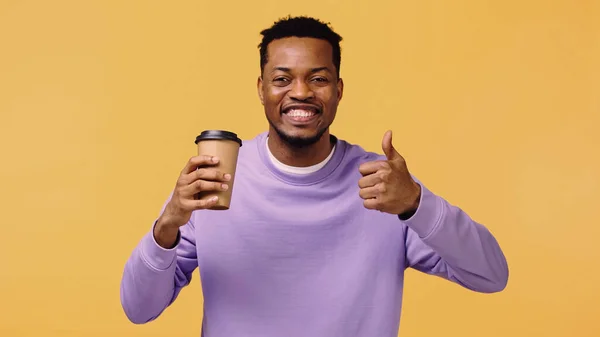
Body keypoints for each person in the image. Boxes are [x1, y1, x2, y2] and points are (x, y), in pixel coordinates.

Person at [120, 15, 509, 337]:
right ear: (261, 89)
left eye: (318, 79)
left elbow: (491, 275)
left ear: (338, 90)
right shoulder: (218, 177)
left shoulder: (383, 185)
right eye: (282, 79)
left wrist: (416, 204)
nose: (301, 92)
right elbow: (139, 309)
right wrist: (168, 224)